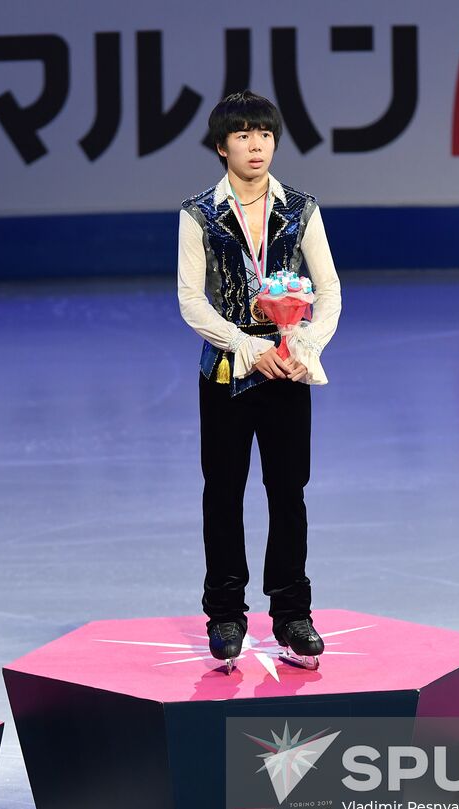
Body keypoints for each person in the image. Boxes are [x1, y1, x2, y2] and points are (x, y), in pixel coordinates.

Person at [176, 91, 342, 671]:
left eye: (265, 135)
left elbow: (329, 290)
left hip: (289, 367)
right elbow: (192, 303)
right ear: (222, 147)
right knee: (223, 491)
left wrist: (301, 347)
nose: (256, 146)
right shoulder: (198, 214)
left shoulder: (301, 208)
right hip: (227, 370)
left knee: (287, 492)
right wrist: (251, 347)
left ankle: (293, 614)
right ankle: (225, 614)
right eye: (243, 136)